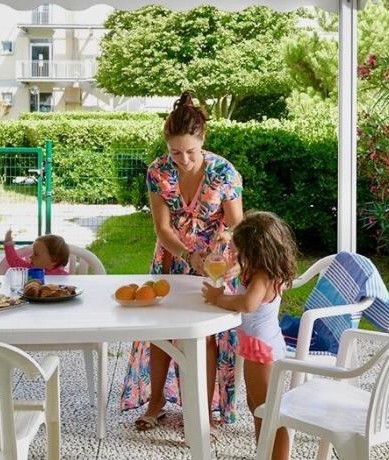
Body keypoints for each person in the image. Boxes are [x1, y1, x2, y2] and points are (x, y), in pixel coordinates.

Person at [122, 90, 244, 431]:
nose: (184, 159)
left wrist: (226, 251)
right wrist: (190, 256)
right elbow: (162, 229)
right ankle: (156, 402)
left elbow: (237, 226)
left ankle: (200, 411)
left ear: (203, 140)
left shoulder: (224, 172)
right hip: (172, 258)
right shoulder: (158, 171)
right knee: (162, 333)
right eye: (175, 152)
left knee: (203, 336)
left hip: (214, 263)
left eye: (190, 151)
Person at [203, 211, 296, 460]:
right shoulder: (267, 270)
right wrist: (226, 237)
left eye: (241, 251)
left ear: (255, 252)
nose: (236, 255)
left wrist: (217, 298)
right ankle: (264, 453)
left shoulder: (261, 277)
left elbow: (247, 304)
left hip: (261, 351)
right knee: (258, 407)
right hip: (263, 345)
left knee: (269, 410)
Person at [3, 229, 70, 274]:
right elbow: (14, 260)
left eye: (36, 254)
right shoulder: (30, 268)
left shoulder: (63, 278)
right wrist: (8, 243)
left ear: (53, 260)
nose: (30, 256)